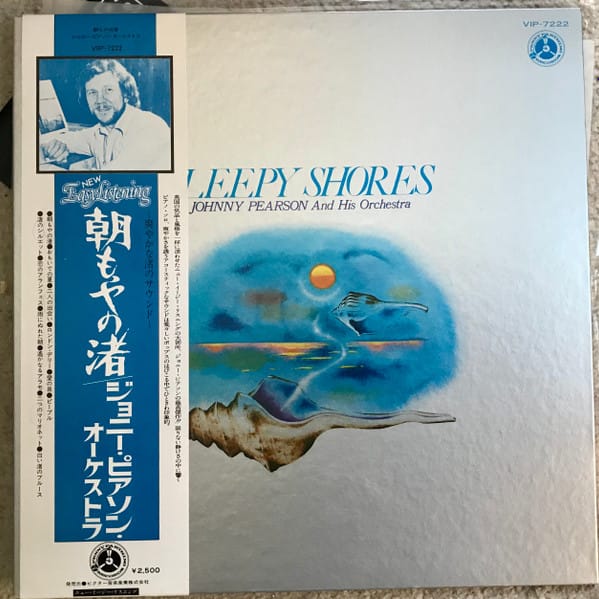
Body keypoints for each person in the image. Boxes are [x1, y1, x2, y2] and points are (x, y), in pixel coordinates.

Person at [41, 59, 171, 171]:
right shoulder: (100, 131)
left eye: (108, 90)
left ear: (125, 93)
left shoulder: (150, 128)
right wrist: (55, 146)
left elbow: (111, 180)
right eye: (92, 93)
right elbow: (69, 139)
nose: (100, 100)